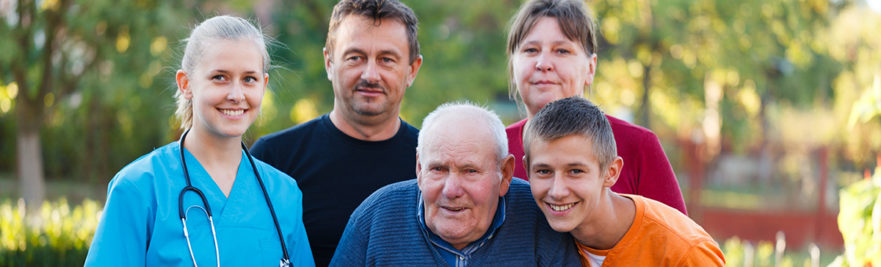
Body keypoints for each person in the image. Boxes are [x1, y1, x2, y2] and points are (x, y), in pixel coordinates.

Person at [85, 15, 314, 266]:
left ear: (263, 85)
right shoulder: (138, 188)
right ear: (186, 84)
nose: (236, 95)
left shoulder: (283, 194)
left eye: (249, 79)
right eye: (220, 77)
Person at [249, 0, 423, 265]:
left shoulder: (436, 165)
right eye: (355, 57)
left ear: (412, 70)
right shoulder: (273, 159)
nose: (371, 74)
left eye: (387, 60)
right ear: (329, 63)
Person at [330, 102, 581, 266]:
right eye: (438, 169)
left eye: (470, 171)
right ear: (419, 168)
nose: (451, 190)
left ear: (504, 174)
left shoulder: (539, 219)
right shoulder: (375, 220)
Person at [505, 0, 688, 214]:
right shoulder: (494, 150)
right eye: (531, 50)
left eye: (562, 51)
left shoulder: (637, 146)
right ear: (513, 66)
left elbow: (681, 243)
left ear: (590, 68)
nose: (543, 63)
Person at [524, 97, 725, 266]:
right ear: (527, 170)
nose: (557, 191)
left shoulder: (684, 252)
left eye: (575, 171)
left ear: (611, 172)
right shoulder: (528, 230)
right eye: (544, 171)